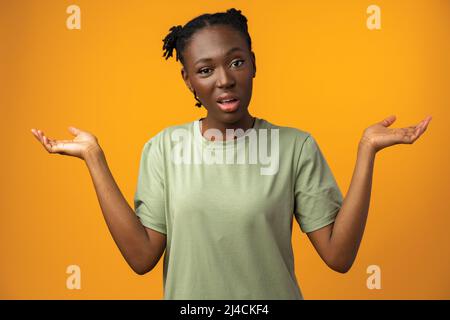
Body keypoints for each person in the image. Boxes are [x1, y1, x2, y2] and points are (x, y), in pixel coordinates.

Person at [30, 8, 432, 300]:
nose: (224, 80)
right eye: (205, 70)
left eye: (236, 62)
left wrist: (367, 152)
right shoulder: (164, 149)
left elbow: (339, 256)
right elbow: (141, 257)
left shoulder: (295, 147)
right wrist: (94, 158)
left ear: (253, 64)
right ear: (188, 79)